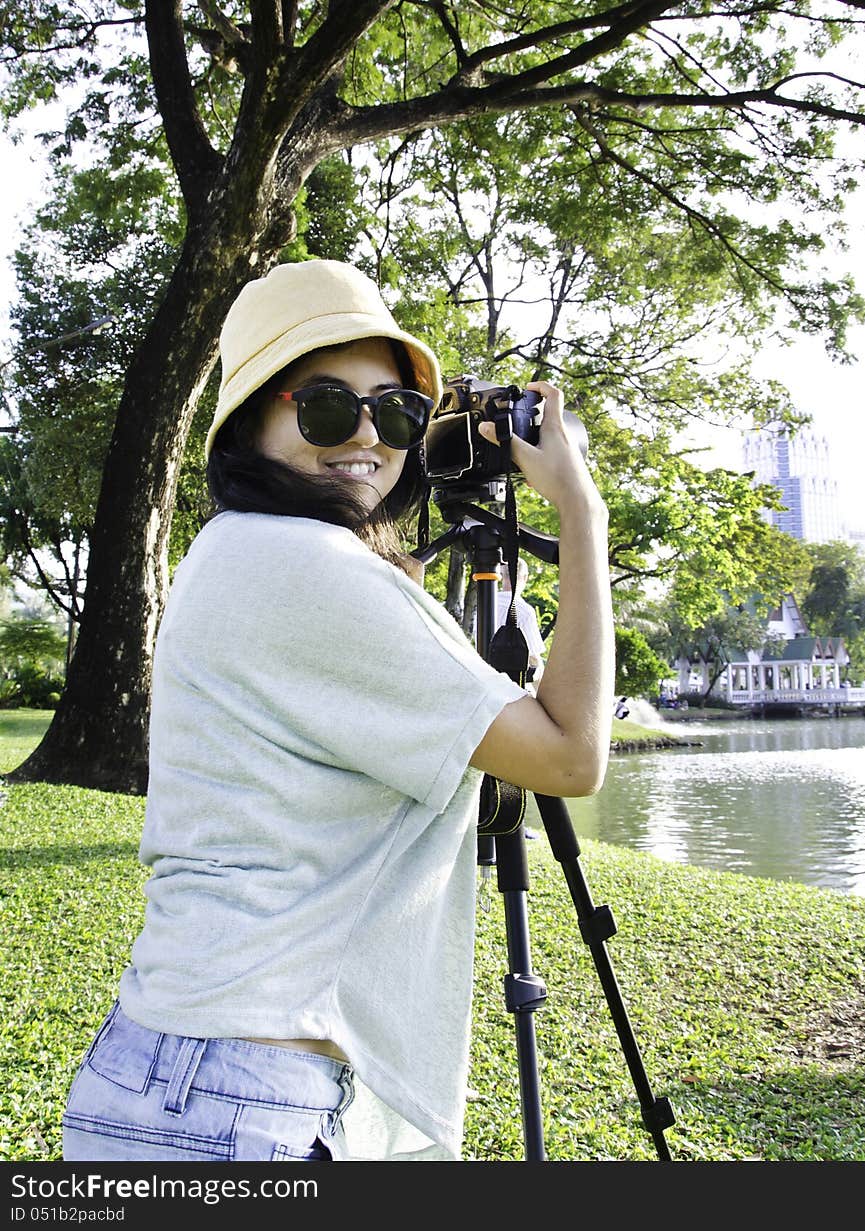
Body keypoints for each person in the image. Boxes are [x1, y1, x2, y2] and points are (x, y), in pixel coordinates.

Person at [61, 258, 614, 1163]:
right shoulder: (312, 570)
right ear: (254, 419)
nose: (369, 435)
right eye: (326, 405)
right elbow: (569, 756)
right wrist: (581, 517)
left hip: (164, 1075)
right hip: (248, 1103)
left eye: (396, 411)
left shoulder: (229, 554)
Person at [494, 559, 546, 690]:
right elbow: (534, 660)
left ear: (501, 575)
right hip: (514, 687)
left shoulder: (484, 606)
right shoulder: (524, 611)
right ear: (525, 577)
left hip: (487, 683)